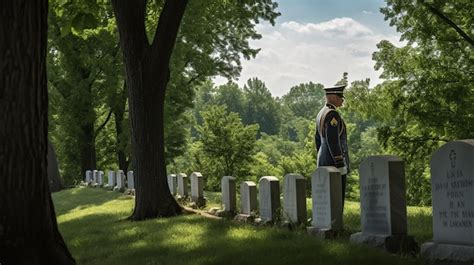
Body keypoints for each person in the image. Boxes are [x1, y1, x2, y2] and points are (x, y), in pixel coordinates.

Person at [315, 84, 350, 208]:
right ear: (334, 97)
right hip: (333, 161)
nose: (342, 100)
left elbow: (317, 139)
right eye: (341, 97)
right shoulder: (332, 114)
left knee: (325, 197)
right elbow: (333, 140)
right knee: (336, 198)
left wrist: (319, 157)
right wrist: (339, 163)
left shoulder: (321, 113)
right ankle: (336, 223)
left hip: (323, 159)